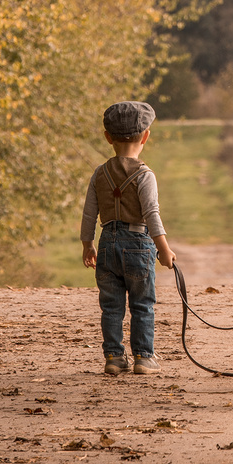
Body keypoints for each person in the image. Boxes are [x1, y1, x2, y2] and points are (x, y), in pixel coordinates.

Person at [80, 100, 176, 375]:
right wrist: (165, 250)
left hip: (107, 245)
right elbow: (152, 215)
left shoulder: (99, 174)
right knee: (142, 304)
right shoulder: (145, 175)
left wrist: (88, 245)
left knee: (111, 305)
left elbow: (89, 214)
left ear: (108, 137)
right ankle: (144, 357)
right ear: (145, 136)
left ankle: (113, 357)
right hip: (138, 245)